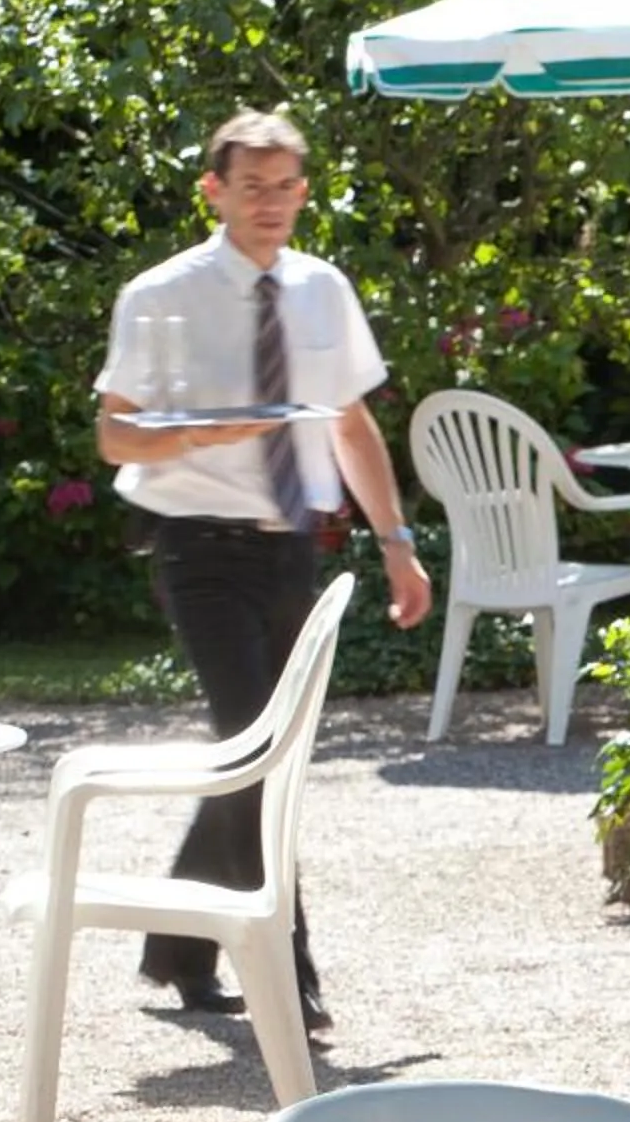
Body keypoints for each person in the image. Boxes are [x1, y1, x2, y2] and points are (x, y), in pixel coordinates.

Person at [94, 109, 432, 1034]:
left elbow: (351, 424)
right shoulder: (161, 293)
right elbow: (115, 432)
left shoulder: (323, 289)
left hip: (292, 544)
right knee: (254, 748)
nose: (271, 203)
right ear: (214, 190)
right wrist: (204, 427)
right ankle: (289, 966)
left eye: (286, 186)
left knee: (257, 753)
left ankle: (174, 947)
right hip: (198, 545)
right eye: (252, 187)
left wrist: (397, 543)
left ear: (304, 191)